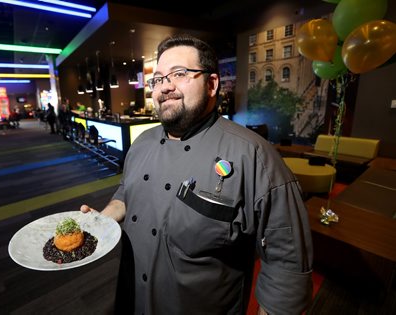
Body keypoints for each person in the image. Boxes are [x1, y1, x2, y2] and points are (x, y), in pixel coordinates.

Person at [81, 34, 313, 314]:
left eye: (179, 74)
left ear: (212, 84)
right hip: (133, 300)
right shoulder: (141, 144)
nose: (165, 87)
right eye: (158, 79)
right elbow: (126, 193)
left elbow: (287, 267)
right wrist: (101, 220)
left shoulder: (255, 156)